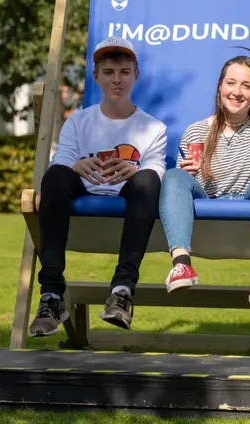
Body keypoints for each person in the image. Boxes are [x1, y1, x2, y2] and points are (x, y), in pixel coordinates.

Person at [29, 36, 167, 336]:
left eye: (124, 72)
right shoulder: (78, 122)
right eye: (108, 73)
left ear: (136, 76)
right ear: (96, 76)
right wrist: (75, 166)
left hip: (130, 197)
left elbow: (156, 170)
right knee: (55, 176)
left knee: (147, 180)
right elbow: (61, 161)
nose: (117, 80)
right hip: (83, 190)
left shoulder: (154, 128)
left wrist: (134, 169)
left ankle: (122, 291)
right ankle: (51, 296)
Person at [159, 55, 250, 308]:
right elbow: (187, 185)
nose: (237, 92)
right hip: (207, 216)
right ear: (220, 88)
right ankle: (181, 266)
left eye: (247, 86)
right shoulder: (196, 131)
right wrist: (187, 176)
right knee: (173, 176)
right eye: (231, 83)